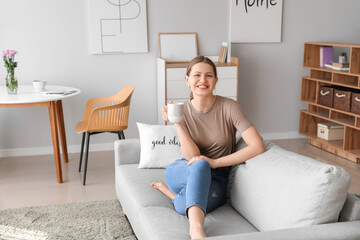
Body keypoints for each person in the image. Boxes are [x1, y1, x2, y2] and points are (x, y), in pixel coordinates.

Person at [151, 56, 265, 239]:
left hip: (216, 178)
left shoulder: (230, 107)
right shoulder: (182, 110)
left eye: (209, 75)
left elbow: (257, 146)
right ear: (187, 80)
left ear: (216, 80)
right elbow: (193, 156)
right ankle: (196, 230)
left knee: (184, 206)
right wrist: (177, 123)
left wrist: (215, 162)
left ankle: (172, 196)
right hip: (183, 169)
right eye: (197, 75)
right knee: (199, 164)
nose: (203, 80)